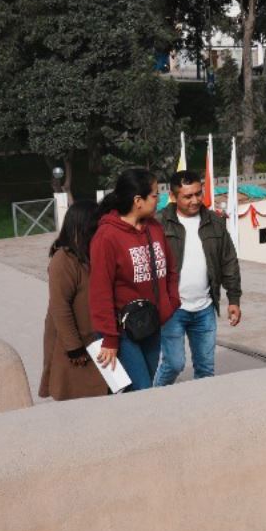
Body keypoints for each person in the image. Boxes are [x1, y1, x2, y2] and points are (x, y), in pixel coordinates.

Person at [89, 168, 179, 392]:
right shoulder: (107, 236)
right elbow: (100, 292)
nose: (160, 199)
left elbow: (171, 269)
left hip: (152, 324)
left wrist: (170, 303)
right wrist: (110, 338)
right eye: (155, 194)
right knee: (143, 389)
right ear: (138, 200)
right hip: (123, 332)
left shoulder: (155, 228)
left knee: (142, 387)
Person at [155, 170, 243, 386]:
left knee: (205, 368)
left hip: (205, 308)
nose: (195, 200)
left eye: (198, 193)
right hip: (172, 309)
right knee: (173, 364)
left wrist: (233, 299)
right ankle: (150, 400)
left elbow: (229, 262)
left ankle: (204, 412)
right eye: (187, 196)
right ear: (173, 197)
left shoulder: (214, 222)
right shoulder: (159, 223)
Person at [38, 201, 110, 402]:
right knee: (78, 394)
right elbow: (59, 307)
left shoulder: (92, 255)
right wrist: (74, 347)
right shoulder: (64, 259)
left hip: (98, 338)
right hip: (74, 343)